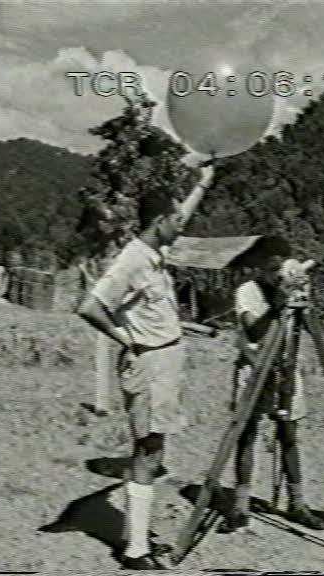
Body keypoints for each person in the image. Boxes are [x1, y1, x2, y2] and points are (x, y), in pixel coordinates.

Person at [77, 166, 212, 570]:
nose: (180, 224)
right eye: (173, 219)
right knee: (148, 454)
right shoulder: (133, 260)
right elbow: (89, 306)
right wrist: (128, 339)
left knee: (153, 450)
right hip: (149, 362)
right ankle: (135, 549)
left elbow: (182, 214)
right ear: (158, 222)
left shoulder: (155, 253)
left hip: (163, 361)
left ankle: (133, 538)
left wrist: (205, 181)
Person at [218, 237, 324, 533]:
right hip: (254, 367)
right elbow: (254, 329)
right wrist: (277, 303)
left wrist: (301, 300)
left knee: (289, 435)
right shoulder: (248, 292)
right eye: (270, 266)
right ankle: (239, 507)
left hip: (286, 367)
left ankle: (297, 503)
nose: (275, 271)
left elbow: (306, 326)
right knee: (247, 434)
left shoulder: (295, 285)